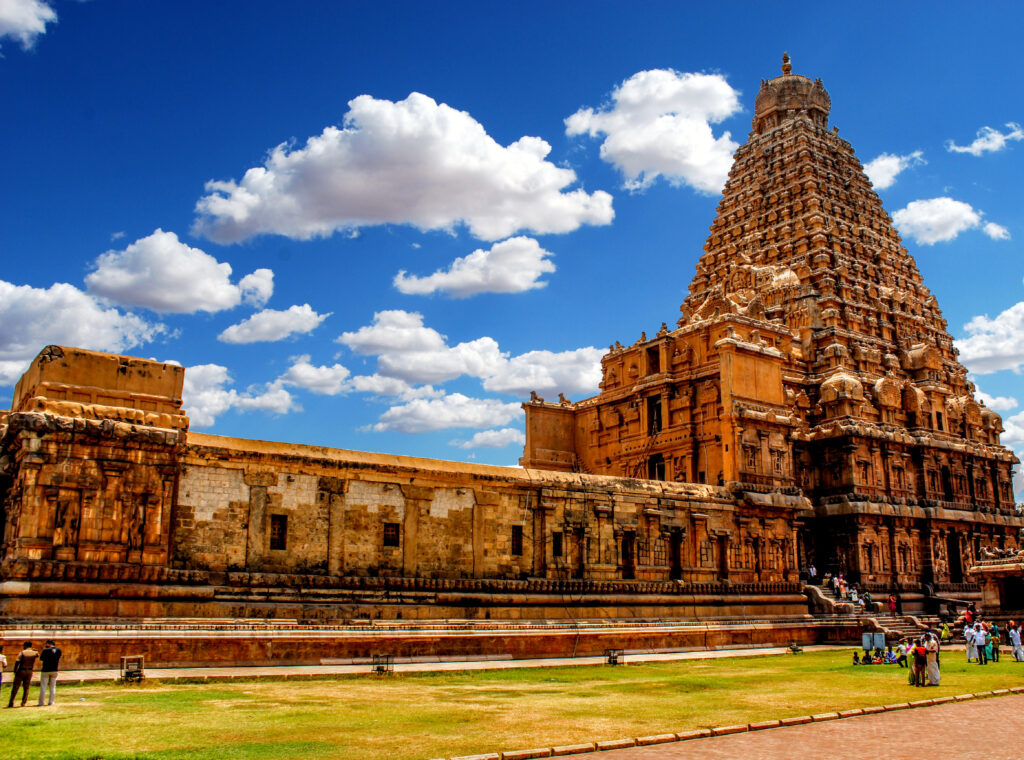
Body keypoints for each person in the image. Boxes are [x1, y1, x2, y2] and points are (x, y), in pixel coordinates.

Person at [6, 641, 38, 708]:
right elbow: (37, 655)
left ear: (25, 645)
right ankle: (23, 702)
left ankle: (11, 702)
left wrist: (15, 670)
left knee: (15, 687)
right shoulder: (34, 652)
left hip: (21, 670)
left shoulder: (22, 652)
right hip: (29, 670)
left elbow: (17, 661)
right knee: (26, 687)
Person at [37, 640, 61, 707]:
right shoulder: (59, 650)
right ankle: (51, 701)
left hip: (46, 670)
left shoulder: (46, 650)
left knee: (43, 687)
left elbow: (41, 658)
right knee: (53, 687)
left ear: (48, 644)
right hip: (54, 669)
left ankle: (41, 702)